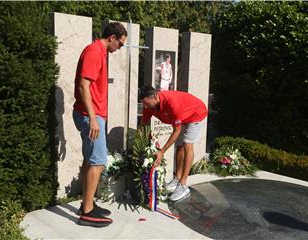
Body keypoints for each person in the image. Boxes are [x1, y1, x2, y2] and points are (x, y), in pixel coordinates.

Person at [73, 22, 127, 227]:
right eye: (120, 44)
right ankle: (87, 212)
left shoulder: (99, 52)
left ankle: (87, 204)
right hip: (90, 116)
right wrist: (93, 118)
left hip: (93, 114)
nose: (119, 48)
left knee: (91, 159)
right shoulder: (95, 52)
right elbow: (83, 85)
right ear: (112, 37)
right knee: (98, 161)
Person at [139, 86, 207, 201]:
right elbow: (144, 125)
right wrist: (143, 143)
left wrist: (162, 151)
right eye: (143, 104)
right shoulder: (148, 106)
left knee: (187, 145)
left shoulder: (171, 102)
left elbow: (177, 131)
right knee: (179, 146)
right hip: (183, 117)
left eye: (147, 103)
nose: (145, 107)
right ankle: (177, 179)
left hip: (196, 113)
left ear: (155, 97)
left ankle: (183, 185)